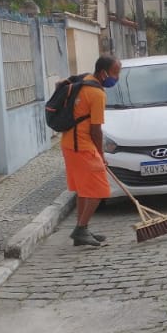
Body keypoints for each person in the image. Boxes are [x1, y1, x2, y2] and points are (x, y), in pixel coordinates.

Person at [62, 56, 120, 248]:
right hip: (83, 146)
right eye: (115, 73)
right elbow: (96, 129)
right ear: (103, 73)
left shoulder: (84, 80)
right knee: (99, 190)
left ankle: (82, 230)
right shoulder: (97, 94)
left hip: (69, 144)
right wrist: (101, 156)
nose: (116, 77)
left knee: (84, 190)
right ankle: (81, 228)